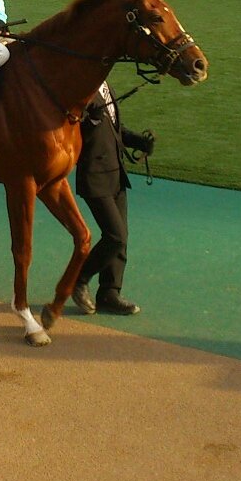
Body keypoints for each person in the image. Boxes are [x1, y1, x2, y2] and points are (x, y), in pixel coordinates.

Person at [71, 82, 154, 316]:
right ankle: (78, 280)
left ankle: (109, 293)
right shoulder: (81, 89)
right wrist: (90, 120)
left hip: (116, 173)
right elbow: (71, 123)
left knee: (122, 238)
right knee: (115, 236)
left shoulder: (106, 87)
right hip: (94, 175)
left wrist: (137, 140)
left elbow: (115, 128)